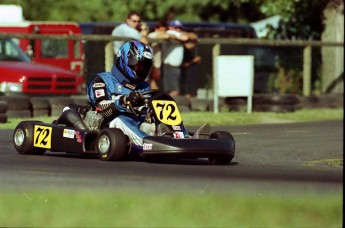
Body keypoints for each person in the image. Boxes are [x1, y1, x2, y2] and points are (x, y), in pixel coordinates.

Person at [87, 40, 154, 148]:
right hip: (109, 124)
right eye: (138, 66)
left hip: (138, 123)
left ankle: (177, 139)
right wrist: (124, 100)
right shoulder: (102, 80)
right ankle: (150, 145)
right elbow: (100, 107)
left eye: (145, 67)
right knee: (120, 120)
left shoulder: (144, 86)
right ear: (124, 61)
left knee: (156, 124)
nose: (141, 70)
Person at [161, 19, 189, 96]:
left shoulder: (177, 34)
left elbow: (185, 37)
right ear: (170, 27)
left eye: (180, 28)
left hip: (174, 65)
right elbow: (183, 37)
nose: (178, 29)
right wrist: (175, 35)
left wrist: (176, 36)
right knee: (174, 90)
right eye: (176, 28)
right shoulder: (169, 33)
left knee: (171, 89)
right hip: (170, 65)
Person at [147, 19, 170, 89]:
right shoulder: (152, 35)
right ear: (156, 29)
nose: (163, 32)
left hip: (157, 65)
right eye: (161, 29)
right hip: (149, 64)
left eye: (164, 30)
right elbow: (165, 36)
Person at [181, 32, 201, 98]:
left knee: (193, 88)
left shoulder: (195, 51)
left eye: (193, 42)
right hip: (186, 75)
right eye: (189, 42)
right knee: (187, 90)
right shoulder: (183, 51)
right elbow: (185, 65)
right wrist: (193, 61)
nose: (191, 44)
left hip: (194, 74)